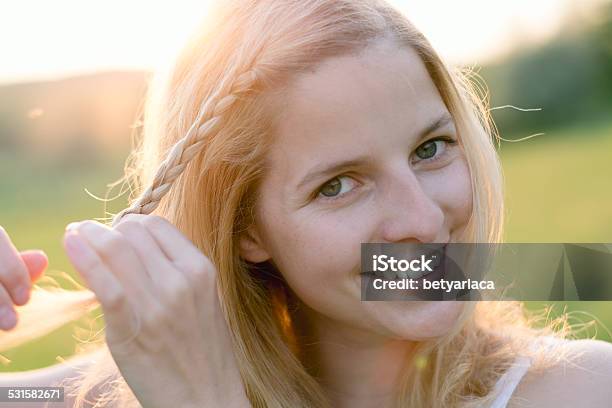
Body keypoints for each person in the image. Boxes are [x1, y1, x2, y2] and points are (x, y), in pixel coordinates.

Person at [1, 0, 612, 406]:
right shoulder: (131, 388)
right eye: (339, 184)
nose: (424, 220)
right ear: (246, 229)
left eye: (431, 148)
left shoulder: (580, 389)